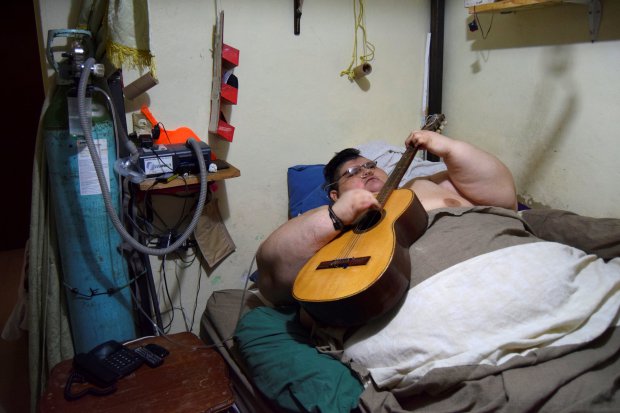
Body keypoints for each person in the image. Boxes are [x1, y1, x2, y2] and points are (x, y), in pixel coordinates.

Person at [256, 129, 519, 307]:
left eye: (371, 165)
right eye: (352, 173)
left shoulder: (422, 184)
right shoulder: (327, 222)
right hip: (442, 289)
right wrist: (336, 217)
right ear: (335, 195)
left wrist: (450, 149)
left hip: (506, 250)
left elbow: (505, 199)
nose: (366, 171)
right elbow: (271, 275)